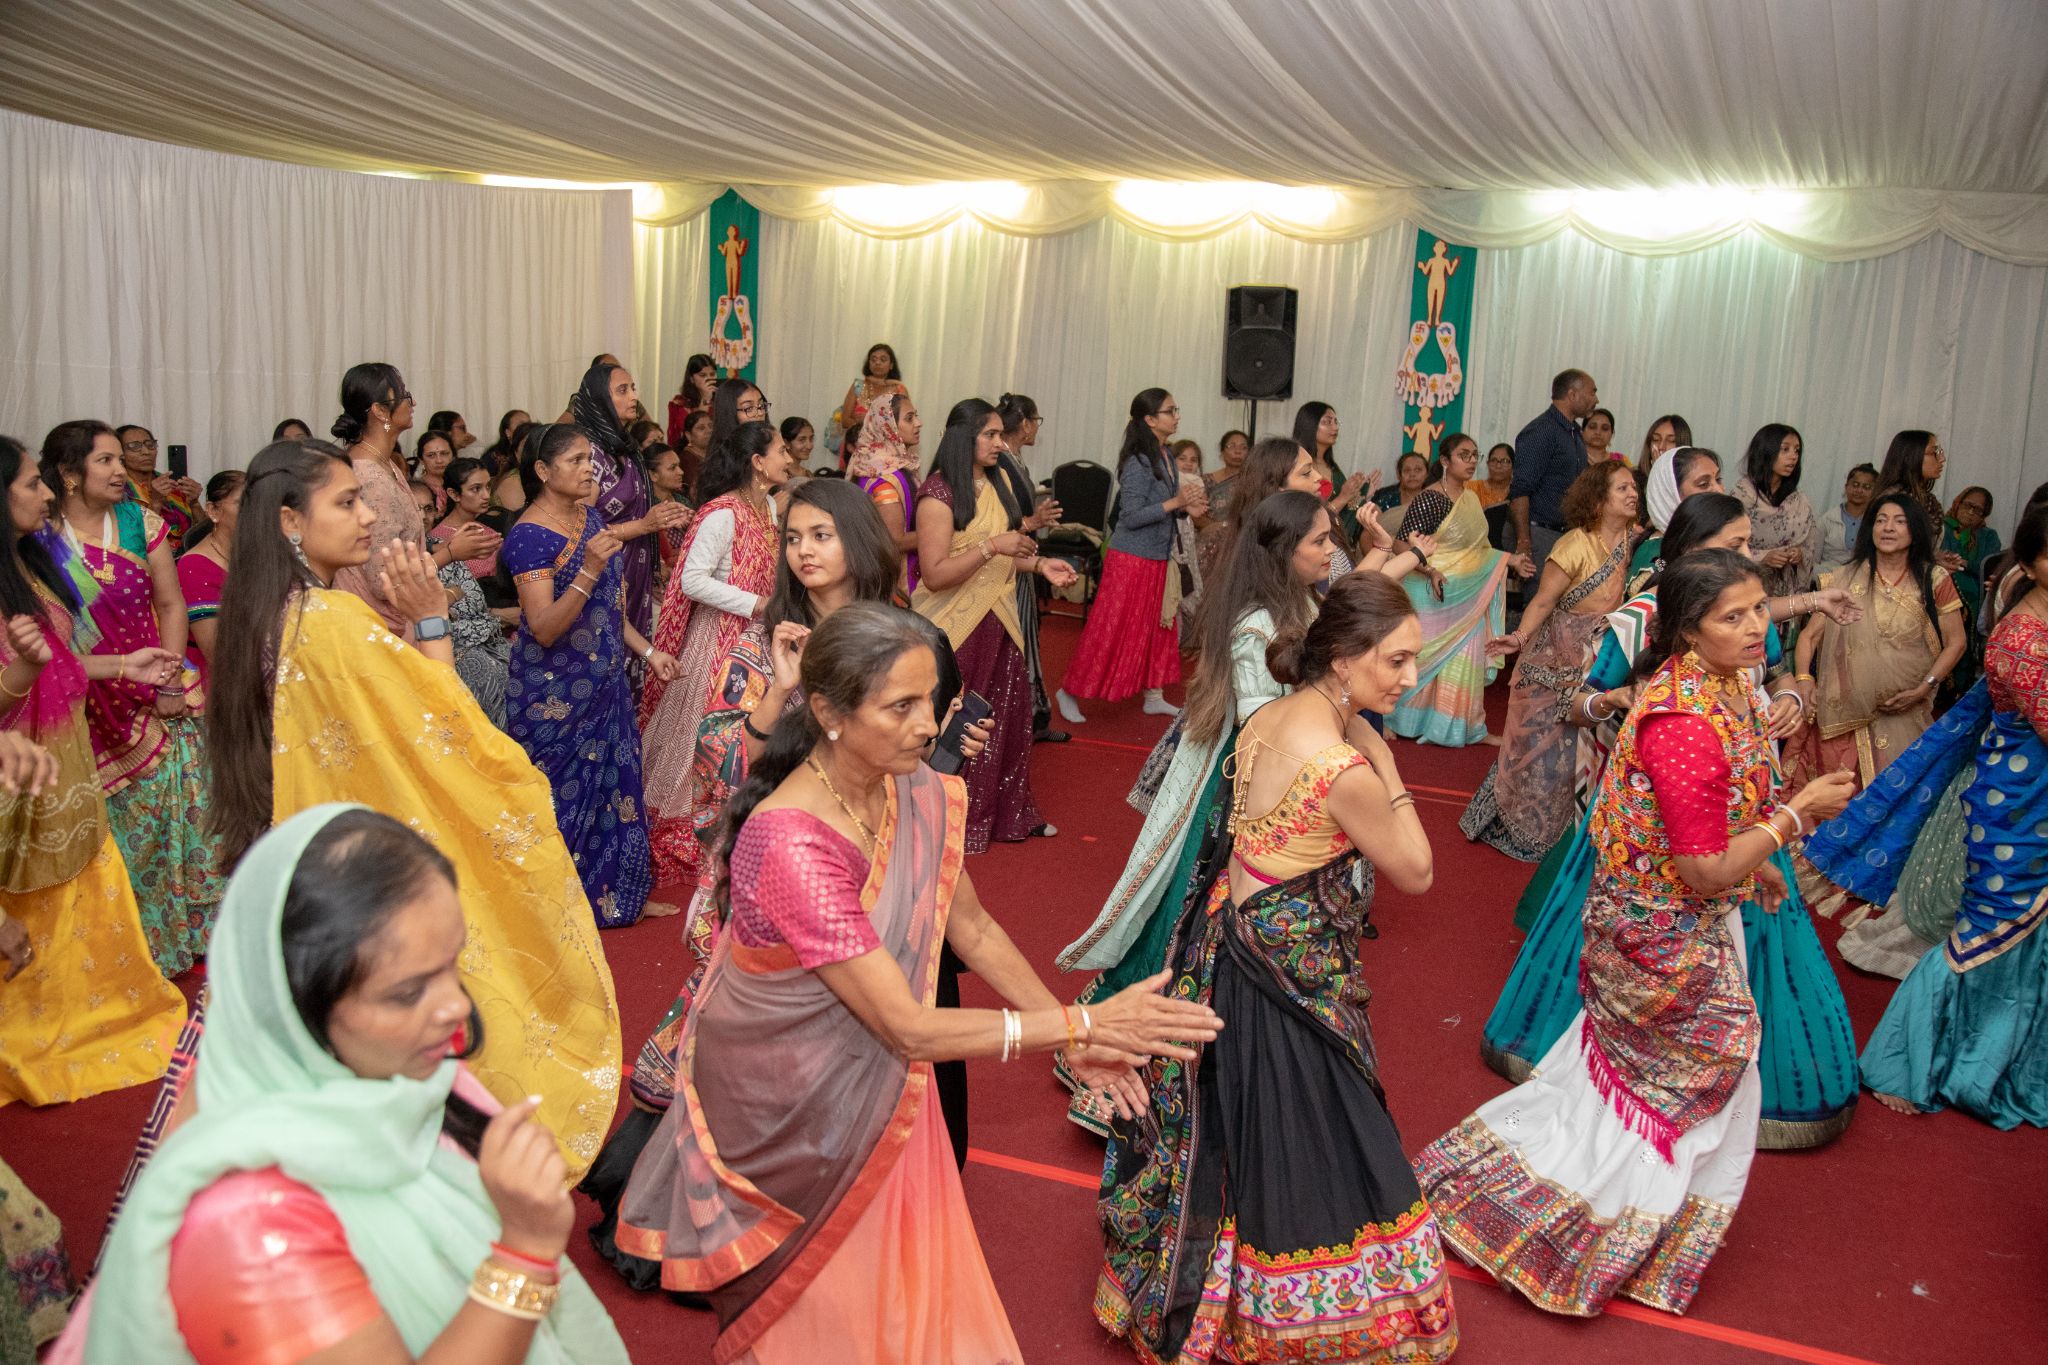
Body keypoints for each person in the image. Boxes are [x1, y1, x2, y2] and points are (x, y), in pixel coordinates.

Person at [615, 604, 1220, 1362]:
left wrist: (1070, 1040)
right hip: (789, 1108)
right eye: (900, 707)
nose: (928, 724)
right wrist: (1081, 1027)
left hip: (885, 1089)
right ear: (830, 713)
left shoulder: (912, 787)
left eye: (931, 700)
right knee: (820, 1306)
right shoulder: (793, 839)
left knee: (902, 1289)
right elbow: (905, 1025)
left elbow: (973, 928)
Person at [1420, 551, 1857, 1317]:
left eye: (1761, 608)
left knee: (1642, 1080)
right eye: (1734, 615)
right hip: (1659, 929)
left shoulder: (1729, 688)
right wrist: (1794, 818)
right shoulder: (1686, 721)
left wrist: (1763, 861)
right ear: (1688, 629)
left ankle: (1635, 1213)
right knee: (1710, 1061)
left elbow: (1723, 822)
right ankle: (1591, 1224)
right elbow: (1702, 869)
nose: (1757, 625)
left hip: (1685, 916)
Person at [67, 804, 630, 1365]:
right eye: (408, 992)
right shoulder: (247, 1223)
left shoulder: (404, 1082)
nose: (458, 1006)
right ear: (297, 1005)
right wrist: (525, 1251)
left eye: (452, 965)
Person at [207, 437, 623, 1170]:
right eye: (347, 501)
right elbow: (452, 730)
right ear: (288, 522)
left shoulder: (271, 612)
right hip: (368, 865)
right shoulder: (329, 621)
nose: (369, 517)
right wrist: (430, 617)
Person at [1097, 572, 1459, 1363]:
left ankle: (1222, 1296)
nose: (1410, 677)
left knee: (1237, 1133)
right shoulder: (1343, 765)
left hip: (1230, 954)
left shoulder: (1264, 718)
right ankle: (1301, 1321)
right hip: (1293, 982)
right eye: (1395, 661)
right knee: (1316, 1138)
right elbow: (1418, 871)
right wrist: (1381, 757)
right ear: (1344, 659)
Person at [1484, 496, 1863, 1149]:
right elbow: (1580, 708)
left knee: (1686, 1064)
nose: (1749, 556)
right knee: (1660, 1070)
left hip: (1730, 846)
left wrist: (1791, 698)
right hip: (1662, 868)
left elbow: (1765, 684)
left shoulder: (1731, 662)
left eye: (1749, 547)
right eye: (1735, 544)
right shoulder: (1672, 693)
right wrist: (1793, 818)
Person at [1057, 490, 1328, 1131]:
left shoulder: (1302, 605)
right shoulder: (1255, 626)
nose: (1330, 550)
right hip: (1241, 789)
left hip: (1274, 779)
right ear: (1287, 552)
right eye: (1319, 540)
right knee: (1191, 926)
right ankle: (1125, 1077)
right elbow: (1263, 725)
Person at [1802, 501, 2048, 1128]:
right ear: (2035, 560)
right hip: (2018, 809)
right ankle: (1903, 1062)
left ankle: (2001, 1064)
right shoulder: (2024, 637)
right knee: (1984, 931)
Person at [1, 433, 186, 1106]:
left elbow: (58, 663)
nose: (46, 493)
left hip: (65, 754)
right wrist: (21, 672)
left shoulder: (28, 563)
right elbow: (15, 682)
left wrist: (122, 664)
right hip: (22, 774)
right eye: (30, 483)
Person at [43, 420, 224, 977]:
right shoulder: (36, 538)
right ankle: (118, 952)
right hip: (73, 706)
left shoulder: (139, 522)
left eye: (122, 459)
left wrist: (169, 680)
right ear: (70, 475)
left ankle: (181, 941)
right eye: (105, 461)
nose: (121, 470)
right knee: (108, 839)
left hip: (151, 698)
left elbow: (171, 607)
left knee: (176, 826)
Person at [506, 425, 678, 928]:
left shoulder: (589, 516)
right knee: (561, 799)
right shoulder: (528, 537)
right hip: (554, 696)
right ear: (543, 471)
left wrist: (649, 653)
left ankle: (620, 896)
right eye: (577, 460)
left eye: (590, 459)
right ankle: (558, 908)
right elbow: (542, 628)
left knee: (618, 789)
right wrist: (587, 569)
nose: (589, 469)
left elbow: (607, 608)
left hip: (606, 687)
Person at [913, 399, 1077, 848]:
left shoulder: (1000, 480)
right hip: (955, 628)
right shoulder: (939, 494)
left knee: (1005, 721)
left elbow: (1005, 558)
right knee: (958, 727)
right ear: (964, 437)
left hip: (1000, 619)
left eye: (1001, 435)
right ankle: (949, 824)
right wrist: (991, 547)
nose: (1000, 444)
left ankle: (1005, 816)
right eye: (991, 435)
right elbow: (935, 574)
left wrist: (1040, 565)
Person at [643, 422, 793, 903]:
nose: (789, 459)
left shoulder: (767, 506)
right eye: (781, 450)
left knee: (756, 730)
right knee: (705, 733)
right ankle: (699, 824)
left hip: (759, 638)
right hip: (720, 638)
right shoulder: (721, 513)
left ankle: (744, 815)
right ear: (757, 460)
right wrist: (756, 605)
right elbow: (690, 580)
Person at [1461, 461, 1638, 860]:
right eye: (1622, 488)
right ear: (1598, 500)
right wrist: (1520, 638)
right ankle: (1521, 828)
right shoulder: (1574, 544)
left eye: (1634, 489)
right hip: (1558, 652)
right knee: (1541, 744)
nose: (1632, 494)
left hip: (1605, 653)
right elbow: (1544, 599)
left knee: (1586, 745)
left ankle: (1574, 831)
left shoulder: (1636, 542)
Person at [1790, 493, 1967, 804]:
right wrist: (1805, 680)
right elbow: (1809, 637)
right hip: (1843, 714)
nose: (1888, 528)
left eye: (1900, 522)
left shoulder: (1933, 579)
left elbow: (1957, 642)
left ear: (1915, 530)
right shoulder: (1845, 578)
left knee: (1896, 806)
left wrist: (1924, 689)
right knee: (1835, 810)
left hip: (1906, 712)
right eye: (1881, 520)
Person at [1057, 389, 1202, 723]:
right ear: (1150, 420)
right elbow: (1131, 516)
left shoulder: (1165, 454)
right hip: (1131, 559)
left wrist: (1186, 509)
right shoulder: (1138, 461)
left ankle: (1154, 695)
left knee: (1157, 627)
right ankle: (1069, 690)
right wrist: (1176, 503)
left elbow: (1165, 510)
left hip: (1157, 556)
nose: (1177, 415)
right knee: (1109, 628)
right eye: (1171, 410)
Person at [330, 362, 499, 637]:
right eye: (405, 395)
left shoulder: (384, 464)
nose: (414, 402)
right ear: (380, 410)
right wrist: (450, 554)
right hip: (378, 628)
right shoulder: (368, 477)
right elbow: (384, 579)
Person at [1390, 432, 1533, 745]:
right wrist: (1429, 570)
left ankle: (1461, 728)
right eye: (1464, 455)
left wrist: (1510, 561)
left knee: (1463, 657)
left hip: (1466, 595)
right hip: (1430, 594)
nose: (1471, 462)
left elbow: (1477, 549)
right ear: (1444, 461)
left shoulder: (1469, 498)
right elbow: (1401, 544)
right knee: (1423, 658)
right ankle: (1399, 721)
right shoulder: (1431, 498)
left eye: (1474, 456)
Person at [568, 361, 692, 638]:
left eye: (633, 388)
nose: (634, 396)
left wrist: (667, 516)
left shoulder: (625, 448)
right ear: (600, 400)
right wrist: (644, 526)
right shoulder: (588, 454)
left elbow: (636, 510)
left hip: (636, 569)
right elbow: (578, 533)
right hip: (603, 573)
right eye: (622, 390)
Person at [992, 392, 1066, 740]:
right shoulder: (1002, 461)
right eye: (1036, 421)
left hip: (1020, 561)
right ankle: (1016, 722)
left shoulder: (1013, 459)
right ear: (1024, 424)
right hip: (1008, 564)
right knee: (1016, 641)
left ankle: (1030, 719)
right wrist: (1033, 521)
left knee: (1027, 639)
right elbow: (1000, 522)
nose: (1036, 427)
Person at [428, 457, 512, 728]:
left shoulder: (491, 531)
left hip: (499, 627)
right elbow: (455, 599)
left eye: (488, 487)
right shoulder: (440, 541)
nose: (486, 495)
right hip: (467, 634)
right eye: (476, 489)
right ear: (453, 494)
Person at [1510, 368, 1597, 571]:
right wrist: (1524, 542)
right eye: (1592, 392)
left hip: (1567, 533)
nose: (1596, 399)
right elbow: (1520, 491)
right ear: (1572, 394)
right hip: (1540, 533)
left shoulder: (1574, 432)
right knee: (1541, 600)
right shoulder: (1541, 431)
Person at [1734, 423, 1822, 598]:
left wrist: (1799, 554)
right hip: (1749, 588)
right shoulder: (1742, 496)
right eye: (1785, 449)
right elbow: (1727, 545)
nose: (1793, 457)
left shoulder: (1799, 501)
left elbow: (1810, 546)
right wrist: (1763, 557)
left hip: (1788, 592)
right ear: (1766, 451)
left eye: (1797, 451)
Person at [175, 470, 244, 690]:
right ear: (213, 510)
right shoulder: (194, 566)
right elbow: (216, 652)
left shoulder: (258, 554)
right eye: (243, 503)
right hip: (219, 687)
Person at [848, 391, 925, 590]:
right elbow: (894, 541)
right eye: (910, 418)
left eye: (916, 415)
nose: (919, 423)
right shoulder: (883, 477)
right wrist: (945, 531)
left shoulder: (893, 464)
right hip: (894, 582)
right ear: (887, 426)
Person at [1632, 445, 1726, 580]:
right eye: (1704, 484)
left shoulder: (1710, 540)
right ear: (1670, 494)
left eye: (1718, 480)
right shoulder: (1653, 555)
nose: (1719, 490)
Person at [1874, 429, 1963, 570]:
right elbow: (1887, 554)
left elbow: (1916, 551)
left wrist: (1935, 557)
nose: (1942, 458)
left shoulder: (1929, 501)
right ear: (1911, 456)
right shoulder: (1892, 500)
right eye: (1934, 453)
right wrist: (1932, 564)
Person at [114, 424, 201, 552]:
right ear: (120, 454)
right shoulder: (118, 490)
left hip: (187, 558)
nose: (146, 452)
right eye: (134, 446)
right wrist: (155, 503)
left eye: (150, 444)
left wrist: (195, 503)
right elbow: (132, 541)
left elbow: (206, 534)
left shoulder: (172, 484)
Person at [1292, 400, 1368, 530]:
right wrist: (1343, 497)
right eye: (1327, 422)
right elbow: (1306, 519)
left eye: (1335, 422)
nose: (1335, 427)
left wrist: (1361, 493)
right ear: (1309, 425)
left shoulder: (1333, 468)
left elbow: (1346, 509)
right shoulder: (1296, 465)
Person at [1942, 485, 2001, 625]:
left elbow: (1989, 568)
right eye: (1968, 505)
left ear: (1984, 515)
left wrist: (1966, 563)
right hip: (1943, 594)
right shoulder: (1941, 527)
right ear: (1958, 502)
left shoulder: (1988, 537)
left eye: (1978, 510)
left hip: (1975, 601)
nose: (1970, 512)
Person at [1196, 427, 1251, 576]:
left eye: (1243, 447)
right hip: (1208, 540)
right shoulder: (1205, 480)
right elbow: (1195, 514)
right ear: (1222, 452)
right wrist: (1217, 529)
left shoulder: (1254, 482)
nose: (1237, 451)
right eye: (1231, 446)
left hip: (1240, 544)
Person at [835, 342, 909, 449]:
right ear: (869, 363)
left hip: (888, 449)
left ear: (891, 365)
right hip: (857, 447)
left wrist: (867, 419)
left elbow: (903, 424)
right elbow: (845, 421)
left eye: (883, 360)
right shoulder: (858, 386)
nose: (877, 362)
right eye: (873, 359)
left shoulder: (899, 390)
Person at [642, 442, 690, 595]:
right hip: (659, 587)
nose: (681, 472)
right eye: (672, 468)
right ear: (653, 475)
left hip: (689, 580)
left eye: (680, 466)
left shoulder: (683, 502)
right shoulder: (644, 508)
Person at [1819, 462, 1878, 575]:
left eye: (1867, 487)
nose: (1859, 490)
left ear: (1875, 491)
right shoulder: (1827, 519)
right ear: (1846, 487)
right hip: (1826, 578)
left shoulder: (1877, 522)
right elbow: (1813, 558)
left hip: (1862, 580)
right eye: (1855, 485)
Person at [666, 352, 717, 446]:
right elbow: (690, 433)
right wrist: (705, 399)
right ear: (691, 379)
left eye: (712, 374)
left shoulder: (720, 400)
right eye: (703, 375)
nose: (709, 379)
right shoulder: (679, 404)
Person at [1373, 451, 1430, 528]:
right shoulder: (1385, 498)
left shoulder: (1434, 500)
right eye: (1407, 470)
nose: (1412, 474)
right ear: (1399, 475)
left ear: (1427, 474)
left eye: (1418, 470)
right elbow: (1367, 533)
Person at [411, 428, 457, 520]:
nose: (439, 460)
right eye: (431, 455)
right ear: (421, 460)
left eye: (444, 453)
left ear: (453, 456)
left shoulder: (461, 485)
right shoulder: (416, 491)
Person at [674, 408, 713, 500]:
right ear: (688, 435)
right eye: (701, 428)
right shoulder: (686, 459)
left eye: (711, 426)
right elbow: (695, 494)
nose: (709, 431)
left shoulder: (715, 454)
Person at [483, 408, 532, 479]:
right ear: (508, 433)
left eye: (529, 424)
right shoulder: (492, 458)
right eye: (521, 425)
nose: (527, 429)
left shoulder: (536, 452)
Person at [1473, 441, 1514, 508]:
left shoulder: (1519, 492)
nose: (1498, 466)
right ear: (1488, 464)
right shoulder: (1473, 488)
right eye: (1493, 460)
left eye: (1505, 461)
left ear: (1513, 466)